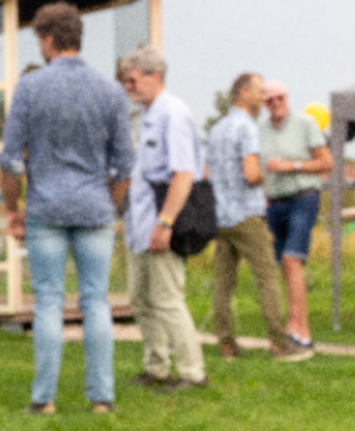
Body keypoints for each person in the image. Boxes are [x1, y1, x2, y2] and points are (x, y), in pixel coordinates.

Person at [0, 2, 135, 415]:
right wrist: (109, 205)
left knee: (48, 303)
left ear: (48, 39)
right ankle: (101, 398)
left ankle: (44, 399)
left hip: (46, 208)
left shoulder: (30, 87)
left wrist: (12, 208)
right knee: (96, 301)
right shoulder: (110, 91)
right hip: (94, 206)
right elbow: (125, 164)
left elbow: (10, 160)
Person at [118, 46, 207, 391]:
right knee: (141, 299)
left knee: (168, 299)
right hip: (139, 224)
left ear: (155, 77)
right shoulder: (147, 117)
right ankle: (156, 366)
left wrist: (165, 222)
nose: (129, 87)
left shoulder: (174, 114)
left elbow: (184, 174)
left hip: (161, 224)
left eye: (133, 80)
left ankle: (192, 371)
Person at [206, 73, 310, 362]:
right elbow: (251, 173)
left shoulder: (216, 130)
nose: (263, 97)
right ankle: (279, 343)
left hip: (221, 214)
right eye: (259, 91)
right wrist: (268, 175)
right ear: (242, 92)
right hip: (247, 214)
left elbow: (206, 173)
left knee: (223, 282)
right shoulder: (248, 128)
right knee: (266, 277)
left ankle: (226, 343)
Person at [259, 80, 333, 351]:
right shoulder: (261, 130)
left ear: (286, 98)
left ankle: (299, 329)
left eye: (279, 98)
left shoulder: (305, 124)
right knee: (284, 264)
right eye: (269, 100)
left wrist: (291, 166)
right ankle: (296, 327)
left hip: (303, 196)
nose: (275, 103)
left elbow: (326, 162)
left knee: (292, 259)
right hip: (275, 201)